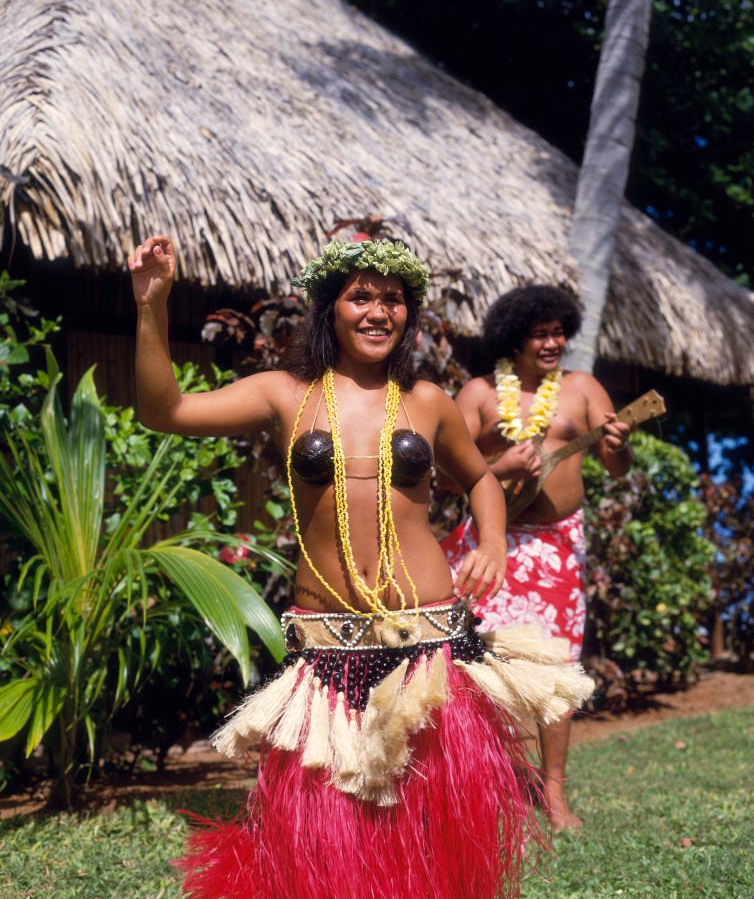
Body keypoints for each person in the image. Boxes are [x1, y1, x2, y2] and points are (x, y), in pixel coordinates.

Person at [128, 238, 593, 899]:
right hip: (330, 646)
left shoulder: (427, 400)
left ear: (409, 314)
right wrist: (152, 308)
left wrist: (491, 541)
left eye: (393, 299)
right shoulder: (284, 394)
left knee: (431, 831)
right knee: (330, 836)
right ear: (331, 309)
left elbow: (482, 481)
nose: (378, 311)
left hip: (429, 647)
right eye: (361, 296)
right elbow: (164, 410)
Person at [440, 284, 632, 833]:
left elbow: (616, 465)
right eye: (539, 334)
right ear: (513, 339)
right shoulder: (478, 394)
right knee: (473, 664)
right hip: (491, 540)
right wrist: (496, 471)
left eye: (558, 333)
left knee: (556, 669)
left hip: (558, 546)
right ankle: (485, 779)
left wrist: (618, 446)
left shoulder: (582, 388)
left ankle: (552, 795)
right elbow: (438, 473)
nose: (552, 343)